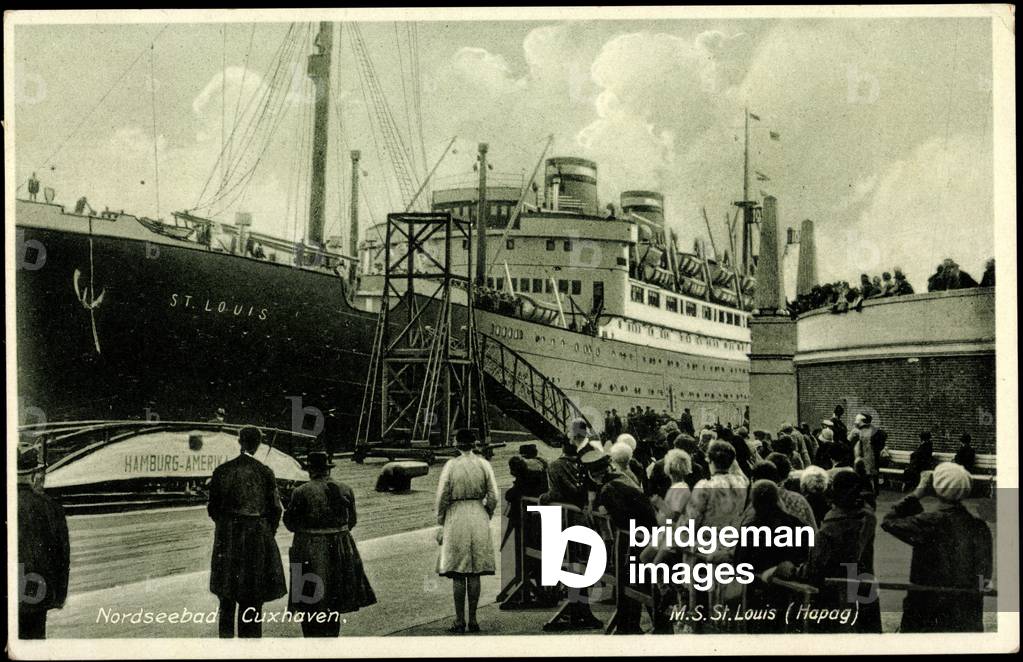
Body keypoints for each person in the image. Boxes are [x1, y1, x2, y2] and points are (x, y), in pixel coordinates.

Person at [882, 464, 993, 632]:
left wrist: (918, 493)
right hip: (965, 611)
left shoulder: (928, 522)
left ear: (936, 489)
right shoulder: (979, 527)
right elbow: (984, 575)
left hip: (926, 609)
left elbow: (889, 520)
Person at [775, 468, 881, 633]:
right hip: (863, 583)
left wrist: (791, 570)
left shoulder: (831, 527)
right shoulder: (867, 516)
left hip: (833, 596)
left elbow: (814, 568)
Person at [284, 452, 376, 637]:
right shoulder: (345, 489)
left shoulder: (301, 492)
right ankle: (332, 638)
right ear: (327, 469)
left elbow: (291, 524)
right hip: (340, 546)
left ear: (310, 470)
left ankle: (312, 639)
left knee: (309, 597)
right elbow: (352, 521)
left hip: (310, 547)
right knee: (335, 596)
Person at [207, 426, 287, 638]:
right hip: (255, 538)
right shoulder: (265, 471)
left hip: (227, 537)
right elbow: (275, 509)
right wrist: (265, 532)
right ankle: (250, 644)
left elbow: (212, 509)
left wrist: (227, 525)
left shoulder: (222, 470)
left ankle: (225, 643)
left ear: (239, 441)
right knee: (252, 595)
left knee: (226, 594)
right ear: (258, 444)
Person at [582, 448, 658, 634]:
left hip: (634, 537)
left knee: (636, 582)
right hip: (646, 534)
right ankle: (635, 624)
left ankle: (637, 626)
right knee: (640, 581)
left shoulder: (609, 489)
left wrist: (603, 511)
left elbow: (621, 518)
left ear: (594, 474)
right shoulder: (622, 478)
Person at [435, 429, 499, 634]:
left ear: (457, 444)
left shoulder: (451, 465)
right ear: (474, 444)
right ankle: (473, 619)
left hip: (456, 514)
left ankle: (459, 620)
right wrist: (487, 511)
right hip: (478, 513)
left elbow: (442, 495)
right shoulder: (484, 464)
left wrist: (440, 520)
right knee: (474, 571)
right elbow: (494, 495)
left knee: (458, 571)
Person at [732, 481, 811, 633]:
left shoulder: (751, 528)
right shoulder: (798, 524)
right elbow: (805, 556)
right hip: (792, 595)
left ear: (754, 503)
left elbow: (739, 564)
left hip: (759, 596)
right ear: (778, 499)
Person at [17, 441, 70, 640]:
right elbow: (62, 556)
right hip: (35, 592)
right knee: (33, 641)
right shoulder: (50, 507)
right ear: (34, 474)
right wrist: (59, 597)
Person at [850, 413, 880, 494]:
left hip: (863, 457)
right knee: (872, 474)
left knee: (865, 473)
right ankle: (874, 490)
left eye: (857, 420)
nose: (855, 422)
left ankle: (867, 490)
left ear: (862, 421)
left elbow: (849, 440)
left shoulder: (858, 431)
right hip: (871, 457)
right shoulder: (874, 430)